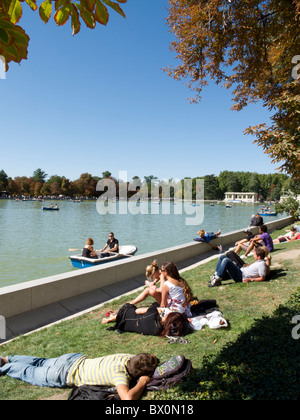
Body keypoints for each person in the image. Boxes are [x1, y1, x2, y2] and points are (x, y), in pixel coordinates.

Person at [0, 352, 159, 400]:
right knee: (29, 372)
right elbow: (128, 399)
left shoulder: (125, 357)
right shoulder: (119, 375)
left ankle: (6, 358)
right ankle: (5, 365)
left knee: (40, 361)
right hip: (63, 374)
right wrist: (142, 382)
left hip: (71, 359)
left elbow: (142, 359)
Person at [102, 302, 188, 337]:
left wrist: (159, 310)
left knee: (134, 310)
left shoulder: (154, 312)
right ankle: (113, 317)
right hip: (125, 326)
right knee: (138, 317)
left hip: (126, 315)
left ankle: (113, 317)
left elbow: (137, 311)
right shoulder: (158, 331)